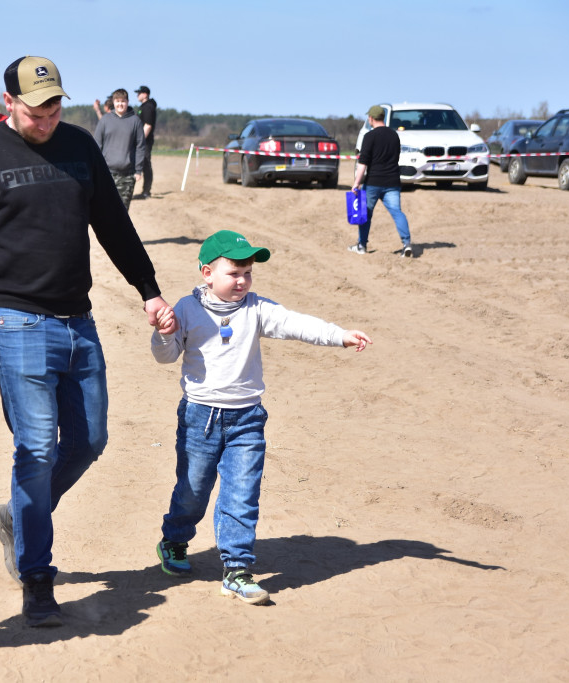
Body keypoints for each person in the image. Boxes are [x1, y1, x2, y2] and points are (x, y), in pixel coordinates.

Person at [0, 55, 177, 628]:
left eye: (55, 104)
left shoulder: (79, 146)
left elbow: (114, 224)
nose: (47, 115)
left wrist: (149, 290)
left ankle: (18, 517)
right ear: (8, 101)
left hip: (78, 322)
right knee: (36, 448)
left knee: (89, 440)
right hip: (15, 323)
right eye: (37, 106)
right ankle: (37, 578)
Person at [151, 230, 371, 604]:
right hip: (199, 418)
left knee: (242, 494)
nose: (242, 280)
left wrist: (338, 335)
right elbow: (166, 356)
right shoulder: (187, 310)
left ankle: (237, 570)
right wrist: (162, 333)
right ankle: (174, 539)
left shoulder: (256, 308)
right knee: (192, 491)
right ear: (207, 273)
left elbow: (296, 323)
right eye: (234, 272)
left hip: (248, 419)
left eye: (248, 273)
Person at [350, 105, 413, 257]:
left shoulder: (369, 136)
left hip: (373, 182)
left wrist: (356, 183)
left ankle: (362, 246)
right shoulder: (394, 135)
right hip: (392, 182)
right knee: (397, 213)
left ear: (371, 118)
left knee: (365, 214)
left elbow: (363, 164)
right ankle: (406, 244)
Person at [93, 88, 145, 209]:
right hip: (106, 174)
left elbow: (140, 146)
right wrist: (95, 169)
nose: (120, 104)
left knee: (122, 211)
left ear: (127, 102)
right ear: (113, 102)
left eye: (123, 101)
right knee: (105, 209)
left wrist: (138, 170)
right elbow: (96, 145)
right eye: (117, 101)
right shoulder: (105, 120)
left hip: (127, 175)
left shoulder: (135, 121)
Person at [133, 85, 157, 199]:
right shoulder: (144, 106)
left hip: (145, 141)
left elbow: (147, 125)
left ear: (145, 94)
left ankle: (146, 191)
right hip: (143, 141)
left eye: (139, 93)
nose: (137, 95)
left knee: (146, 164)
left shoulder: (148, 107)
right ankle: (145, 191)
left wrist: (140, 141)